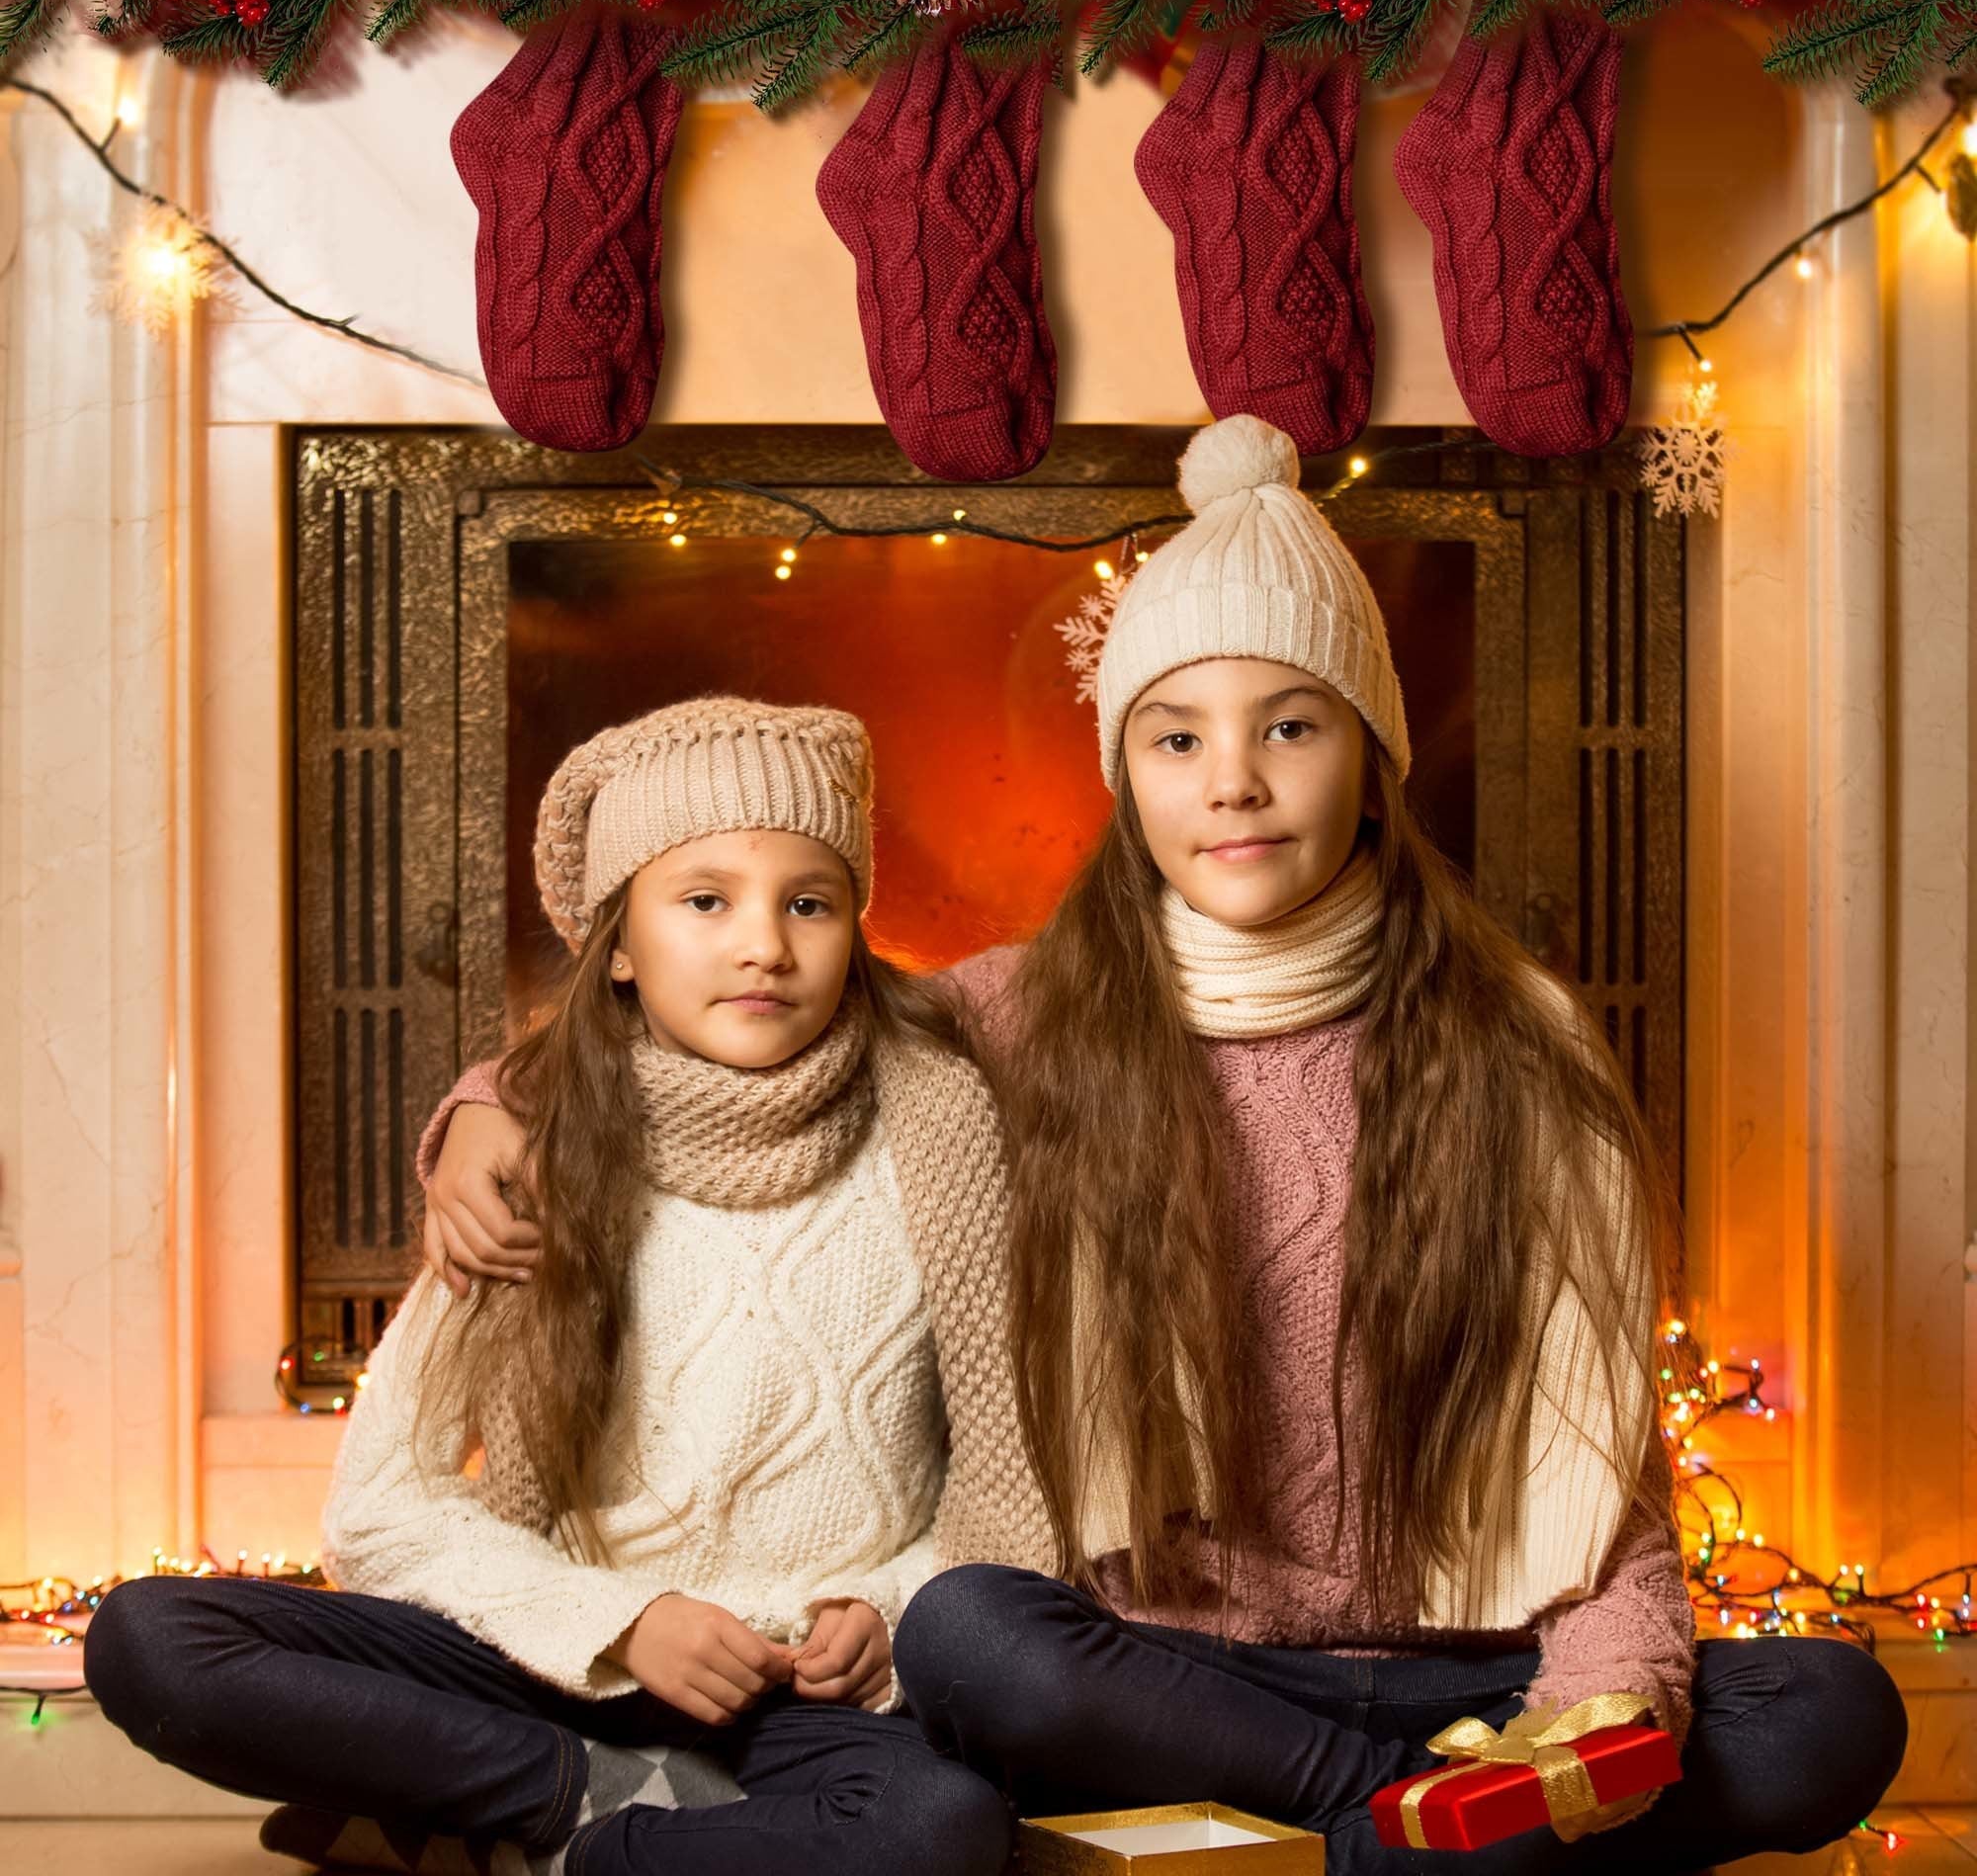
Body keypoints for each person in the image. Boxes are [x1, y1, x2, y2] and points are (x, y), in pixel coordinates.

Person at [419, 419, 1911, 1873]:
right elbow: (749, 1024)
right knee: (969, 1637)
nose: (1235, 781)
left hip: (1482, 1662)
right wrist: (498, 1097)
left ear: (1371, 755)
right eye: (1178, 736)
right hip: (1177, 1683)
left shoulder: (1517, 1042)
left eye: (1291, 727)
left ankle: (1364, 1843)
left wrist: (1600, 1710)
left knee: (1830, 1711)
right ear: (1125, 773)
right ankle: (1409, 1835)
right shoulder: (1024, 1013)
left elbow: (1605, 1456)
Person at [85, 698, 1048, 1876]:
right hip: (556, 1657)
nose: (763, 944)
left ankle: (534, 1843)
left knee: (936, 1826)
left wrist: (893, 1611)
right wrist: (623, 1622)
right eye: (705, 900)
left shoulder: (941, 1142)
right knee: (153, 1634)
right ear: (623, 944)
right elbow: (383, 1504)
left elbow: (996, 1486)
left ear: (855, 926)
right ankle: (591, 1799)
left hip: (800, 1688)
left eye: (809, 901)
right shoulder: (534, 1155)